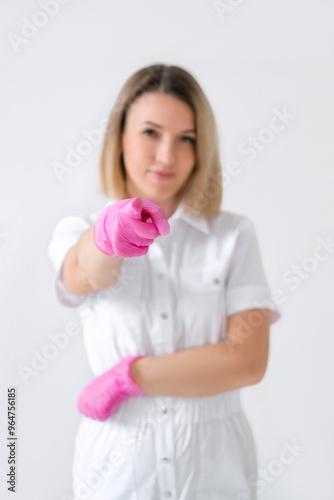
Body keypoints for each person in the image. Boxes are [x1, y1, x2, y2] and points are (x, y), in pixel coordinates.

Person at [48, 64, 281, 500]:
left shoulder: (234, 236)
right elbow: (85, 275)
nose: (166, 156)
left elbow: (246, 360)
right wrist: (106, 236)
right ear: (120, 138)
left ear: (201, 149)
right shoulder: (76, 230)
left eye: (186, 139)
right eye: (151, 133)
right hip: (116, 471)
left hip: (216, 466)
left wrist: (129, 377)